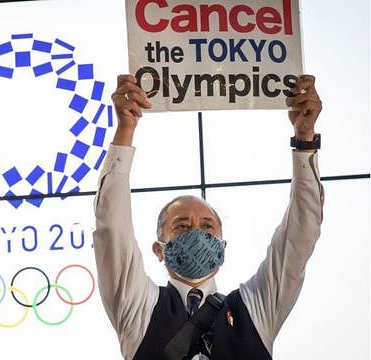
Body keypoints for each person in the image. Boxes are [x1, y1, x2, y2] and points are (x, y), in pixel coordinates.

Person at [93, 74, 323, 359]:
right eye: (181, 225)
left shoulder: (257, 307)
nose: (196, 232)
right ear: (158, 248)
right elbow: (111, 226)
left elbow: (302, 232)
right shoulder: (137, 306)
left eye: (207, 226)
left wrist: (304, 140)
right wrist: (125, 129)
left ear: (223, 246)